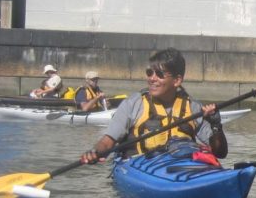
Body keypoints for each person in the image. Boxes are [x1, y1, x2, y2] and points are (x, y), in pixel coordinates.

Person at [81, 48, 227, 164]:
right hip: (141, 167)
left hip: (180, 168)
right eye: (149, 73)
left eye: (159, 74)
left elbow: (220, 153)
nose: (152, 78)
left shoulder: (193, 108)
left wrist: (216, 125)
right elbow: (107, 142)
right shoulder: (133, 104)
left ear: (177, 80)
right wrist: (95, 152)